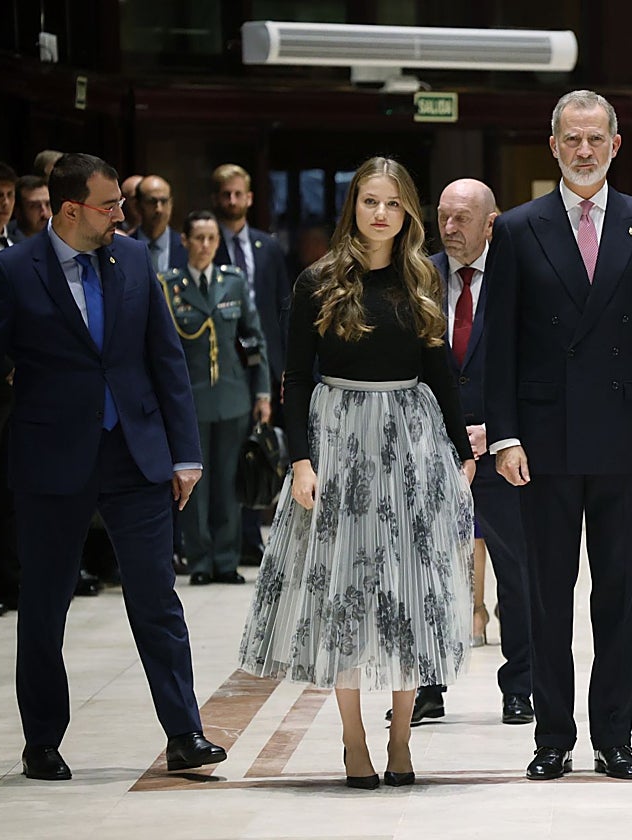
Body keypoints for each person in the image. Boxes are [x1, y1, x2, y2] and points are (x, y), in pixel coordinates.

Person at [237, 156, 476, 790]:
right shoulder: (317, 279)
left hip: (409, 439)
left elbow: (441, 374)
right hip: (338, 439)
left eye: (393, 204)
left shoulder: (423, 276)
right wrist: (300, 459)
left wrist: (461, 452)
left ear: (407, 214)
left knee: (405, 592)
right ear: (354, 208)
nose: (380, 213)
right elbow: (293, 377)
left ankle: (401, 739)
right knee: (344, 595)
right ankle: (353, 739)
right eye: (370, 201)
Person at [0, 153, 226, 780]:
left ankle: (185, 733)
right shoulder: (12, 270)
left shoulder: (133, 261)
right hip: (50, 461)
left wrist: (184, 452)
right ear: (71, 210)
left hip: (136, 452)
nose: (122, 215)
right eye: (110, 206)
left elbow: (166, 358)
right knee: (44, 606)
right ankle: (42, 740)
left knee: (156, 600)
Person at [484, 89, 632, 781]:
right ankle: (552, 737)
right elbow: (498, 345)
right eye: (572, 139)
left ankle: (614, 737)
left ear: (616, 144)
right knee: (547, 595)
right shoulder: (515, 228)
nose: (584, 150)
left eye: (596, 138)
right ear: (553, 146)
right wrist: (503, 437)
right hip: (542, 442)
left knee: (617, 597)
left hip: (626, 442)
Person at [412, 178, 534, 728]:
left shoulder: (519, 279)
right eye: (443, 217)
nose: (450, 229)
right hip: (430, 449)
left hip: (503, 451)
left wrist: (499, 432)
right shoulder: (417, 277)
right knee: (429, 570)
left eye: (463, 219)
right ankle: (428, 686)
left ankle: (520, 687)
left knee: (516, 570)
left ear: (492, 223)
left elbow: (536, 367)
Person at [160, 211, 270, 585]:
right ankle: (200, 561)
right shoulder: (168, 287)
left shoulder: (232, 283)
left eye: (211, 239)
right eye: (198, 238)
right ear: (185, 242)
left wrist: (262, 391)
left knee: (227, 481)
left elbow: (254, 338)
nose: (205, 246)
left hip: (232, 396)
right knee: (195, 485)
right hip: (188, 401)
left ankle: (226, 560)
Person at [211, 163, 293, 563]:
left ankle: (257, 532)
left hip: (266, 363)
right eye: (225, 194)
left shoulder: (268, 246)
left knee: (261, 450)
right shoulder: (207, 243)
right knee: (229, 454)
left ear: (250, 197)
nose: (232, 200)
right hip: (223, 364)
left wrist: (284, 368)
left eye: (238, 193)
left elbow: (283, 309)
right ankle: (233, 537)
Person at [131, 175, 186, 274]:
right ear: (137, 206)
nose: (159, 209)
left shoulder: (187, 248)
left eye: (164, 201)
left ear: (171, 204)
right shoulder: (124, 249)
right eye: (152, 202)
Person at [8, 175, 51, 240]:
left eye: (48, 204)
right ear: (17, 211)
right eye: (35, 206)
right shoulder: (6, 244)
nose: (44, 213)